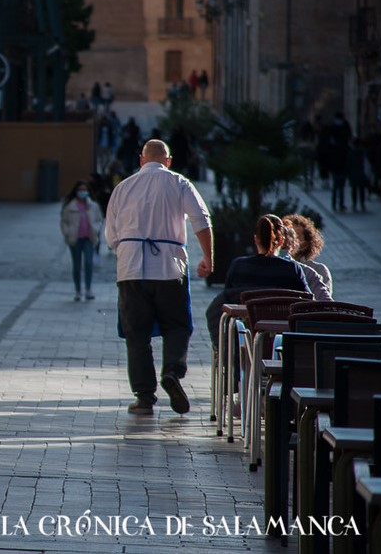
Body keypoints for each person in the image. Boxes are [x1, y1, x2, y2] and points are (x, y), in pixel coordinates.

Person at [105, 139, 214, 416]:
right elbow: (201, 220)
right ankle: (172, 373)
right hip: (169, 267)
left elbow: (111, 236)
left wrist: (127, 252)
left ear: (141, 160)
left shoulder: (123, 188)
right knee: (177, 325)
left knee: (136, 335)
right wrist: (208, 258)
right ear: (168, 160)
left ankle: (144, 397)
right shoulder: (180, 183)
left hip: (130, 270)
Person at [204, 214, 311, 382]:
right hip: (280, 343)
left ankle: (231, 373)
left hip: (245, 340)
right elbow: (308, 303)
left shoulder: (239, 266)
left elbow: (226, 300)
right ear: (282, 241)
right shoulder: (292, 270)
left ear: (255, 239)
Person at [61, 180, 104, 301]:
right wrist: (67, 232)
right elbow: (64, 221)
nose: (82, 192)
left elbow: (99, 220)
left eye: (84, 190)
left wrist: (96, 229)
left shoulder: (93, 206)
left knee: (89, 263)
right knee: (77, 265)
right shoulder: (70, 206)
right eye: (80, 190)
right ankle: (78, 290)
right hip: (75, 238)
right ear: (76, 191)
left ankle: (88, 289)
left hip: (89, 238)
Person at [284, 213, 333, 297]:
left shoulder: (319, 270)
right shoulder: (274, 266)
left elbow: (324, 302)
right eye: (286, 234)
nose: (289, 240)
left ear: (305, 245)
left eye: (295, 236)